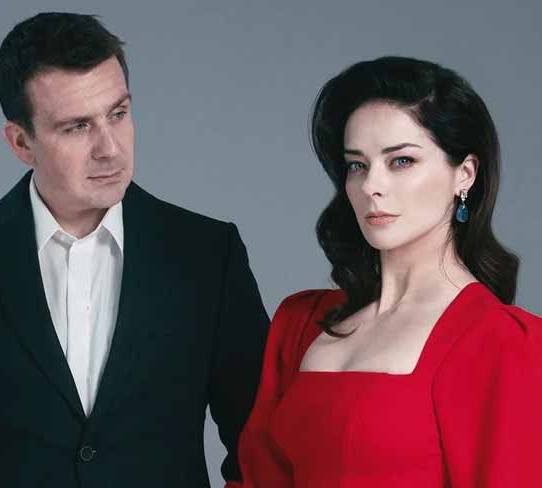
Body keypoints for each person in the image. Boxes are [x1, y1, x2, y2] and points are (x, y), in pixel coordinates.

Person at [0, 12, 269, 488]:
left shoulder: (208, 256)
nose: (110, 148)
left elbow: (261, 443)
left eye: (118, 114)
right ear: (21, 142)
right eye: (76, 127)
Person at [229, 56, 542, 487]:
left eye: (401, 161)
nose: (371, 185)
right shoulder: (299, 325)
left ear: (465, 174)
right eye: (357, 165)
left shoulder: (501, 344)